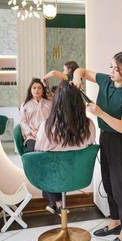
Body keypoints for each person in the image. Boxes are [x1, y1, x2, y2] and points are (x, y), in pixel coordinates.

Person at [72, 51, 122, 241]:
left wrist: (100, 112)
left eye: (116, 69)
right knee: (109, 184)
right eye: (110, 66)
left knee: (121, 188)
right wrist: (77, 79)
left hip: (120, 142)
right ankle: (115, 222)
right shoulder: (106, 81)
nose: (111, 71)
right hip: (105, 138)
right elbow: (81, 70)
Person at [34, 80, 96, 216]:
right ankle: (56, 203)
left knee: (44, 164)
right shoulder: (89, 125)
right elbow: (90, 144)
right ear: (80, 102)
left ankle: (55, 202)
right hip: (78, 175)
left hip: (54, 176)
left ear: (56, 102)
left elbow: (38, 152)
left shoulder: (46, 126)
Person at [19, 78, 52, 153]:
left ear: (43, 90)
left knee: (50, 150)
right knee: (31, 150)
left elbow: (53, 119)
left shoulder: (49, 103)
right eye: (34, 88)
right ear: (30, 90)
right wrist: (31, 132)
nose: (37, 90)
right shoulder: (25, 105)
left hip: (46, 133)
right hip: (32, 135)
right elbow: (23, 121)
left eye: (39, 88)